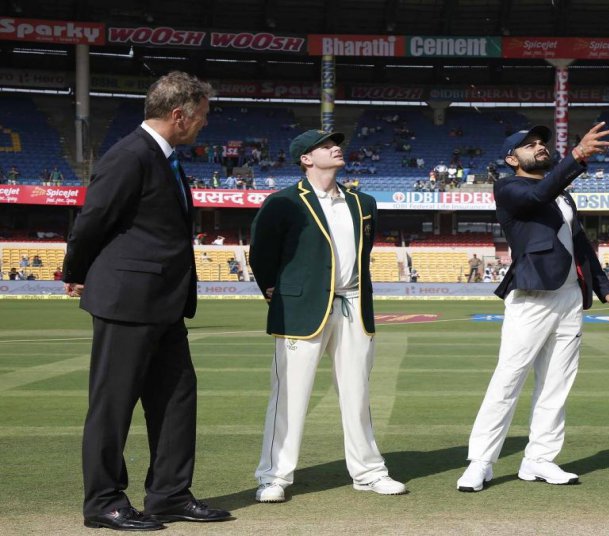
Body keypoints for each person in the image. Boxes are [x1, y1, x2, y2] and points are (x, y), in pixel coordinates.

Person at [62, 71, 231, 531]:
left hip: (165, 303)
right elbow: (93, 220)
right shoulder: (130, 155)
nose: (204, 125)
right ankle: (103, 502)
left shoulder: (165, 158)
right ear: (179, 115)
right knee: (113, 404)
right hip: (127, 301)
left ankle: (169, 495)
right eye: (201, 116)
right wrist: (74, 274)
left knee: (177, 399)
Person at [456, 123, 609, 492]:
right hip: (533, 295)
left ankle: (539, 460)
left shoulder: (563, 196)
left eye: (541, 143)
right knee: (508, 379)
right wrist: (578, 156)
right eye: (528, 145)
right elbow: (536, 198)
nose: (539, 147)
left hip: (569, 297)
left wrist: (605, 289)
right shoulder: (509, 187)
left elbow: (580, 245)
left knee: (556, 383)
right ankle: (481, 462)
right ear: (510, 158)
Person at [249, 129, 406, 503]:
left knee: (358, 393)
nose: (336, 148)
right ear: (306, 159)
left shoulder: (363, 202)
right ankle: (273, 477)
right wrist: (273, 289)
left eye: (336, 144)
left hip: (353, 305)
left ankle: (368, 472)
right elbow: (261, 253)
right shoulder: (283, 202)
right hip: (301, 310)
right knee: (289, 395)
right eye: (325, 146)